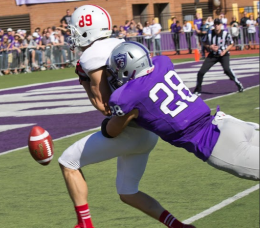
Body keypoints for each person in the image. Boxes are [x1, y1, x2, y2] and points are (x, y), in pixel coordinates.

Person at [58, 5, 195, 228]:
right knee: (127, 192)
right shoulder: (122, 43)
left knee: (68, 162)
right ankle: (178, 226)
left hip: (127, 130)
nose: (72, 34)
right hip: (148, 130)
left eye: (75, 29)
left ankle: (85, 224)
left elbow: (104, 106)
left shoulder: (91, 56)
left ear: (86, 30)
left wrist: (84, 80)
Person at [104, 41, 259, 181]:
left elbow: (111, 130)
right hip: (227, 123)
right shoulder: (162, 63)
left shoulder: (128, 96)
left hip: (218, 144)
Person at [193, 18, 244, 95]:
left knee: (227, 70)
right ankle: (198, 90)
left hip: (223, 54)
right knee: (201, 72)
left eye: (218, 24)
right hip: (212, 55)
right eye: (215, 24)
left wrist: (225, 50)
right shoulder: (209, 33)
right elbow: (203, 41)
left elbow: (231, 43)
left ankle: (238, 83)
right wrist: (210, 46)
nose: (217, 26)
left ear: (221, 25)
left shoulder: (225, 34)